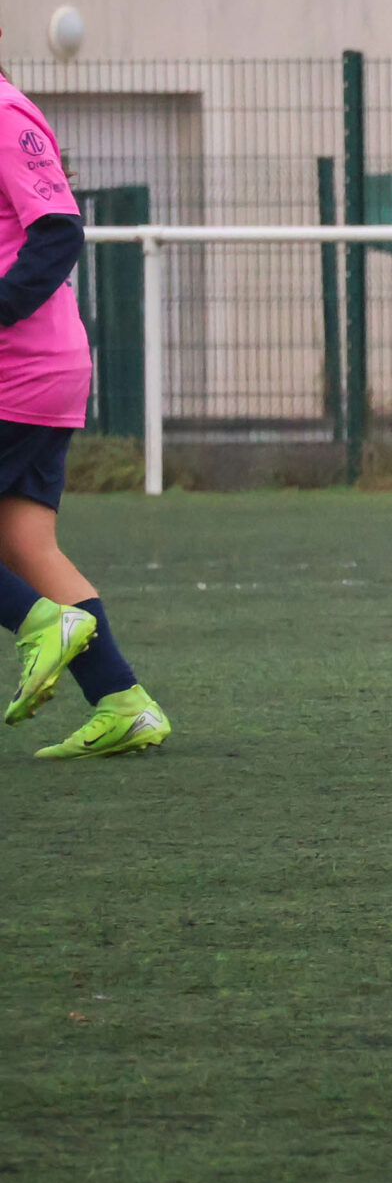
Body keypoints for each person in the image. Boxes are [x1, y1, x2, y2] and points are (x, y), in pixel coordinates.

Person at [0, 44, 172, 758]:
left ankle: (43, 623)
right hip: (35, 369)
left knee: (26, 556)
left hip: (18, 369)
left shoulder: (3, 113)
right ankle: (122, 702)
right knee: (26, 545)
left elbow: (59, 230)